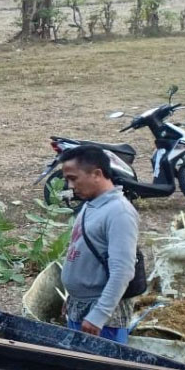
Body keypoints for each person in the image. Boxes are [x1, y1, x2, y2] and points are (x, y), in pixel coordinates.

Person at [60, 145, 139, 343]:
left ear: (96, 174)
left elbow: (123, 270)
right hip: (81, 308)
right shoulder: (91, 204)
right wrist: (72, 299)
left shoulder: (119, 212)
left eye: (73, 178)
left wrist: (99, 315)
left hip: (101, 318)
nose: (70, 186)